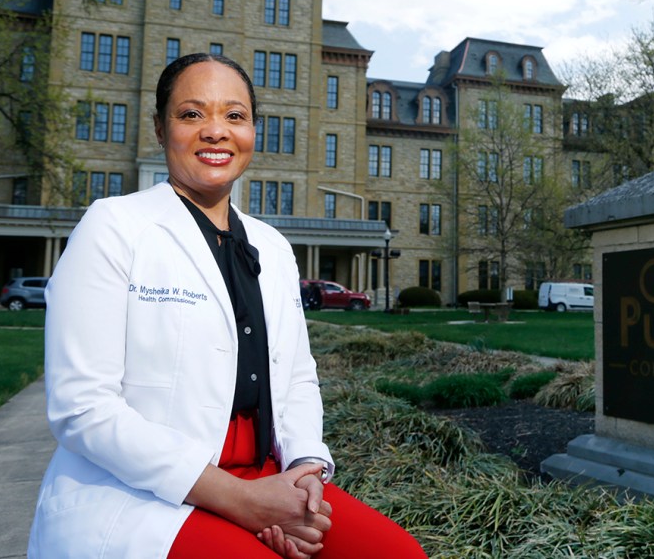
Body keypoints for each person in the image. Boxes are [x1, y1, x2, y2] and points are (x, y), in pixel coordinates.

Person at [28, 54, 427, 558]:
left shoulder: (272, 247)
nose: (216, 130)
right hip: (145, 490)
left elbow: (297, 378)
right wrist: (243, 502)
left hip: (267, 471)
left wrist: (305, 471)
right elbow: (82, 407)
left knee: (399, 553)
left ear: (253, 131)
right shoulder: (113, 227)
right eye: (191, 114)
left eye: (234, 115)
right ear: (160, 128)